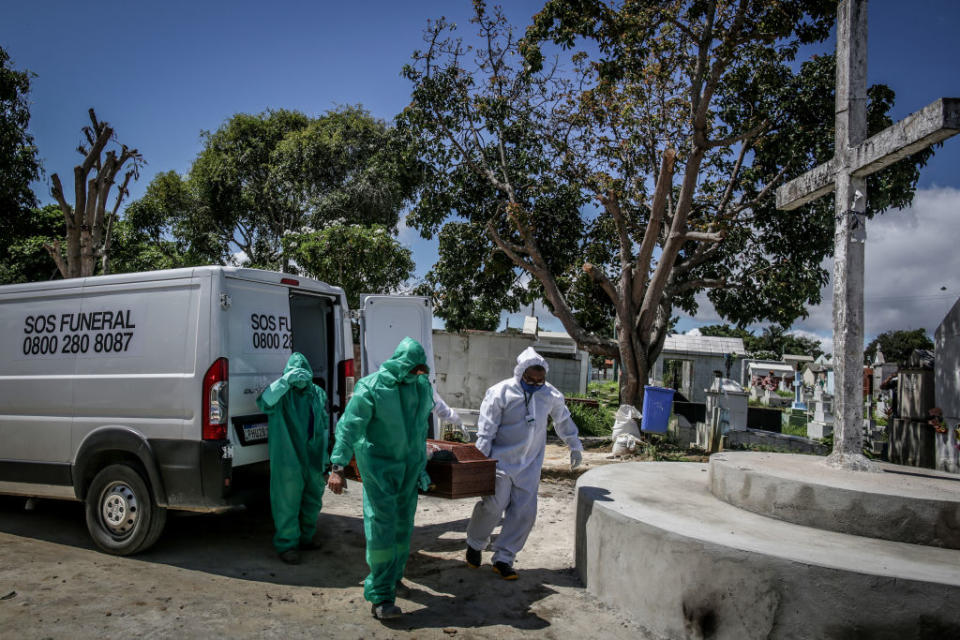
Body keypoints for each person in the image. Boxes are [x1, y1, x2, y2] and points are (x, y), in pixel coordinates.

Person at [326, 337, 434, 620]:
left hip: (409, 467)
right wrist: (337, 467)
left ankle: (393, 576)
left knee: (403, 525)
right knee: (383, 527)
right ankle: (381, 596)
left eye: (422, 369)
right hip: (379, 466)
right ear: (401, 364)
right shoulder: (371, 387)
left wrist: (421, 466)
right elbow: (348, 428)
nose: (419, 374)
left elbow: (420, 429)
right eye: (414, 369)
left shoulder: (420, 387)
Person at [465, 347, 583, 579]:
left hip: (530, 464)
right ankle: (475, 544)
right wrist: (478, 462)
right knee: (493, 506)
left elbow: (563, 420)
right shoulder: (500, 392)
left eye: (541, 380)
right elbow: (486, 431)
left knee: (524, 513)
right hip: (500, 461)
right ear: (520, 373)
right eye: (531, 379)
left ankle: (504, 558)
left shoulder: (550, 394)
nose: (536, 383)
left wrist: (574, 443)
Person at [256, 352, 329, 565]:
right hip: (288, 457)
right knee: (287, 502)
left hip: (314, 455)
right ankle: (287, 544)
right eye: (294, 374)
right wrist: (285, 382)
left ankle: (306, 538)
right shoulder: (281, 394)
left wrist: (326, 459)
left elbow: (323, 424)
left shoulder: (316, 393)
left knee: (312, 500)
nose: (299, 378)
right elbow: (264, 402)